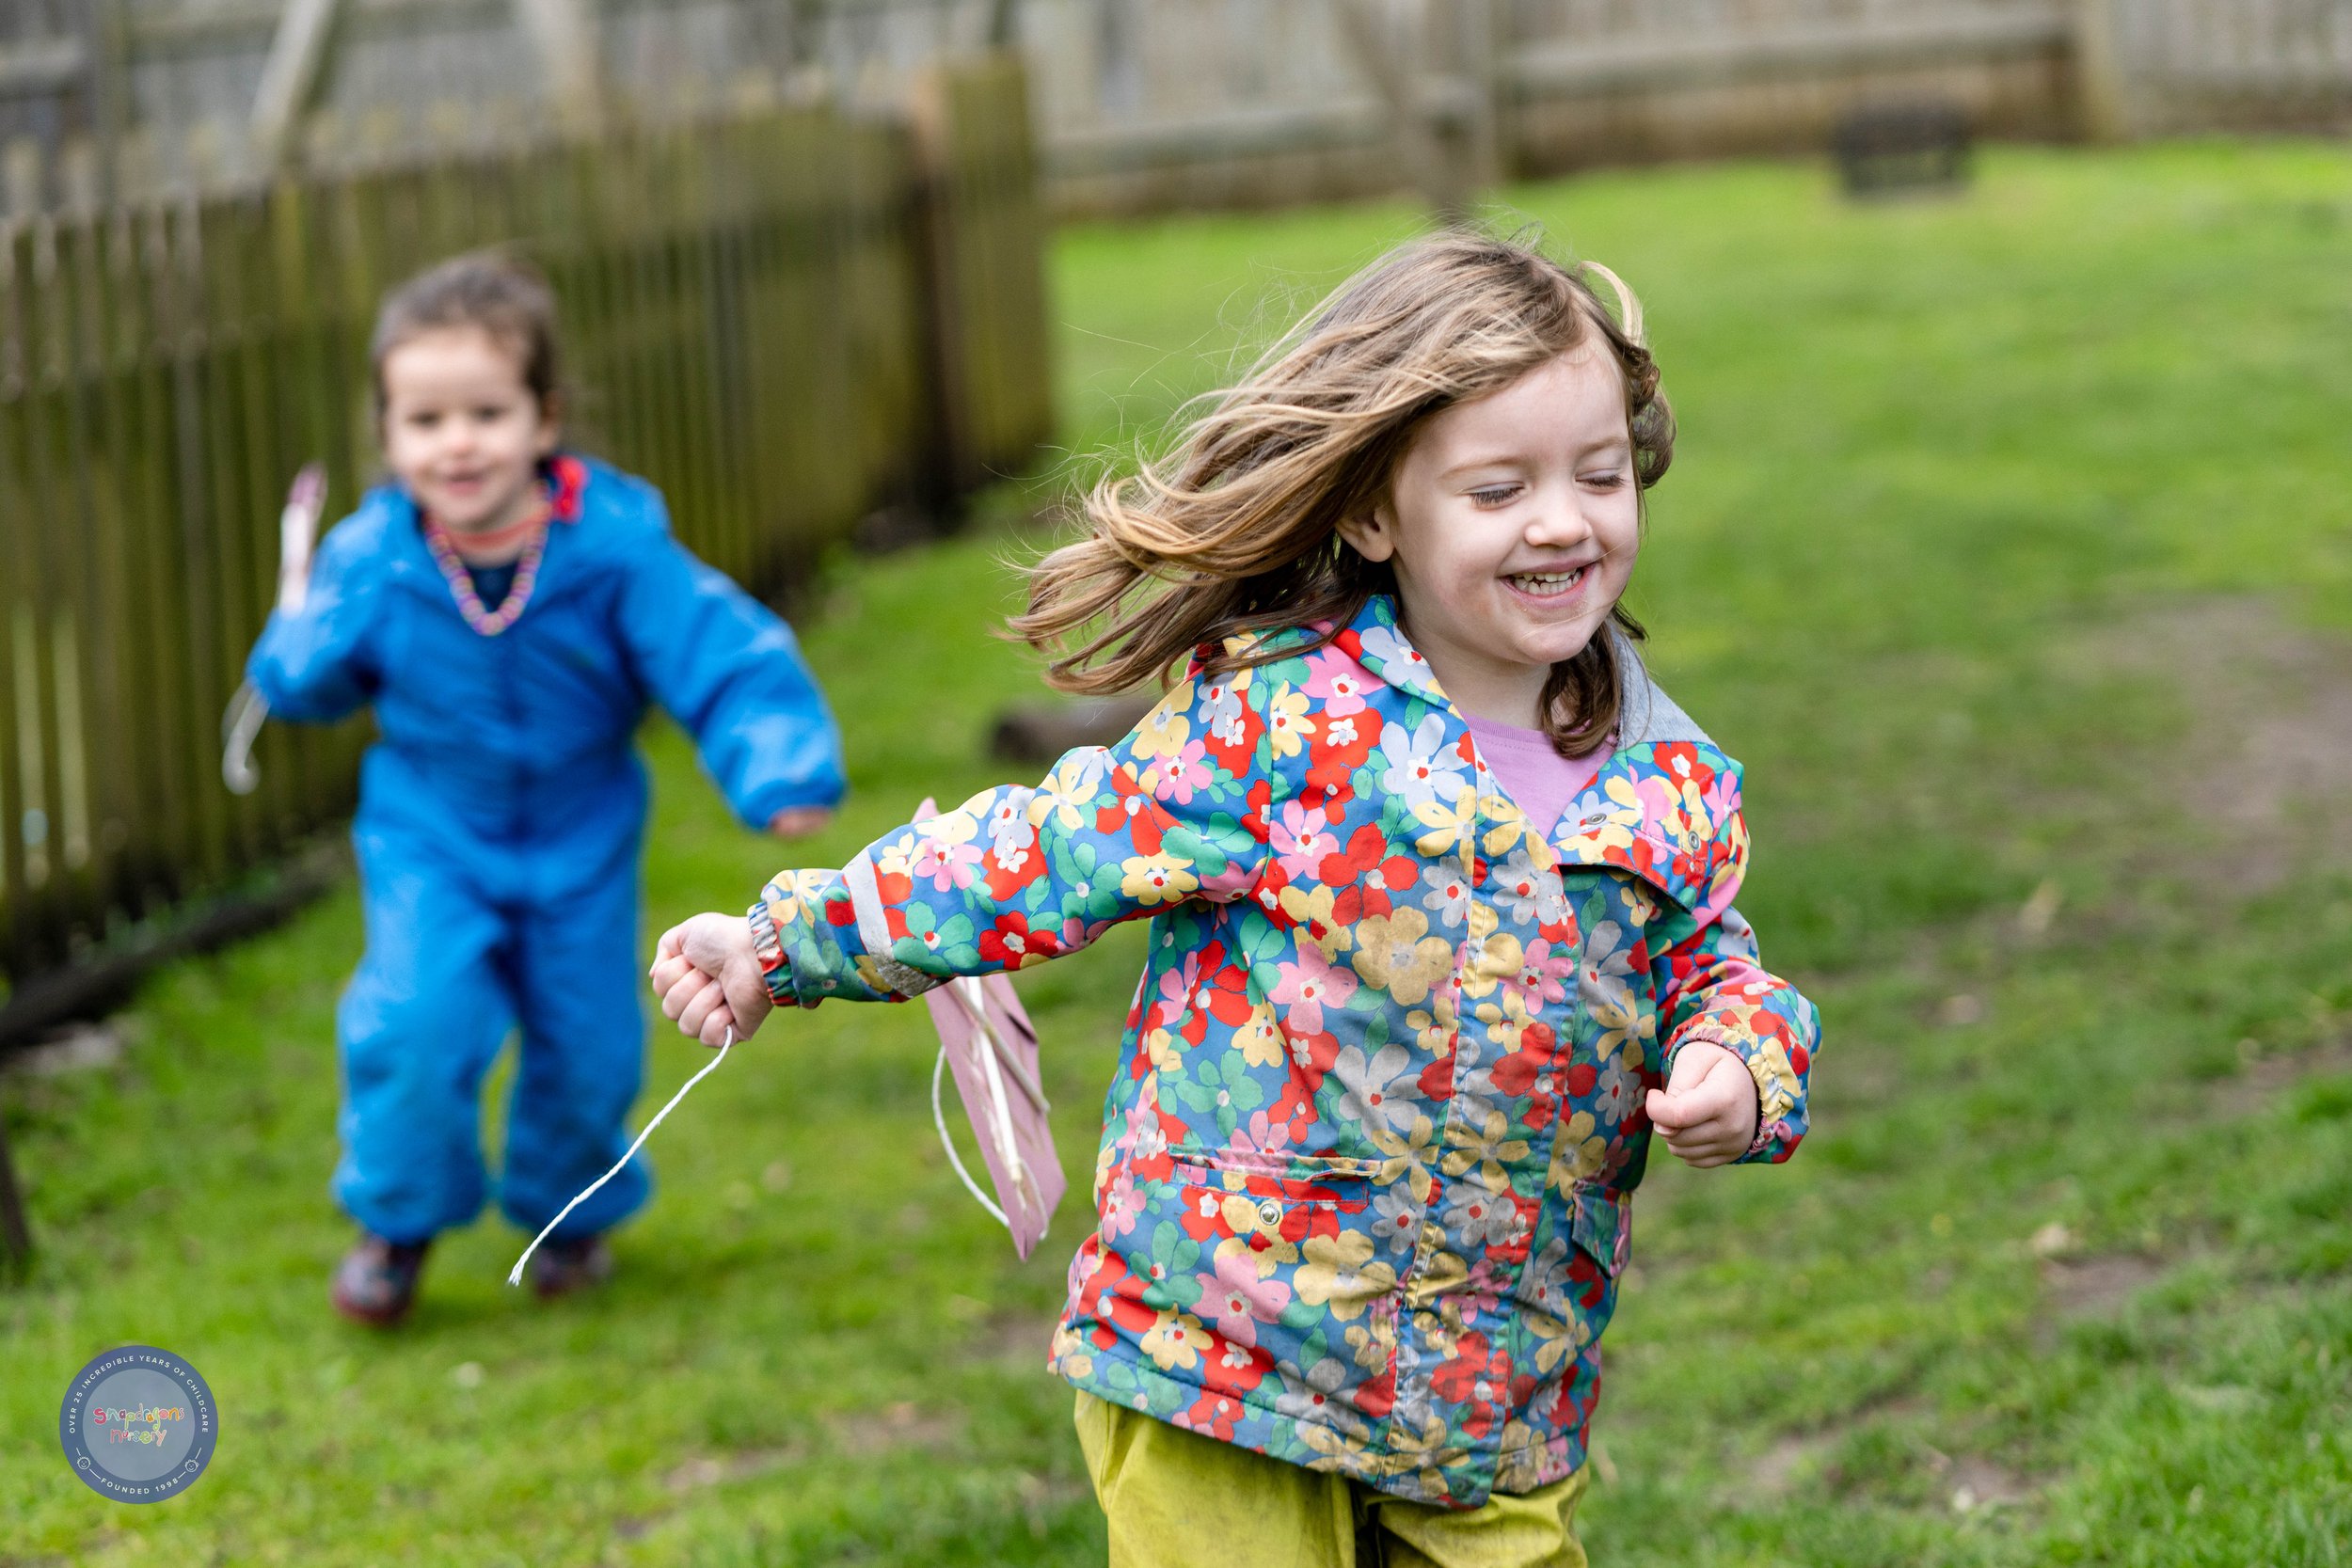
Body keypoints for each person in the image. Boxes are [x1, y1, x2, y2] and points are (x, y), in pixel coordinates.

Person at [647, 232, 1818, 1566]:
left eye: (1599, 475)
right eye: (1500, 487)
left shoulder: (1670, 778)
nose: (1563, 518)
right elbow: (1034, 854)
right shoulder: (1277, 726)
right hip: (1230, 1359)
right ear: (1377, 513)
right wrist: (781, 942)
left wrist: (1742, 1057)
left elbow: (1717, 964)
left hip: (1487, 1398)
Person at [248, 252, 844, 1325]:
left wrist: (779, 762)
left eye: (486, 410)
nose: (458, 441)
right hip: (435, 830)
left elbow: (722, 653)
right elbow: (306, 684)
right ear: (388, 435)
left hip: (579, 835)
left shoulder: (610, 548)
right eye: (425, 420)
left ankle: (565, 1216)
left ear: (544, 416)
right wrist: (296, 649)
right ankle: (397, 1219)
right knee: (412, 1019)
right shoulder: (376, 559)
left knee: (589, 1040)